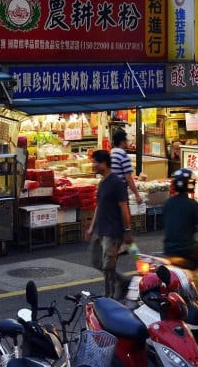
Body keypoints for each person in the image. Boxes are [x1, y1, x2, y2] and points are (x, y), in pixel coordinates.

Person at [85, 150, 133, 299]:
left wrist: (127, 230)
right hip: (100, 229)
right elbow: (99, 205)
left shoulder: (116, 183)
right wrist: (92, 227)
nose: (93, 165)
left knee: (108, 266)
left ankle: (109, 298)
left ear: (104, 164)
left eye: (96, 162)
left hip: (112, 231)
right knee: (95, 261)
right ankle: (122, 281)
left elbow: (124, 207)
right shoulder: (102, 182)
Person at [109, 128, 142, 204]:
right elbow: (128, 178)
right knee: (123, 213)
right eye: (126, 140)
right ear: (122, 142)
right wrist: (137, 194)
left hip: (111, 190)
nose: (127, 142)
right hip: (120, 191)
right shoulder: (123, 155)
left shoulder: (112, 153)